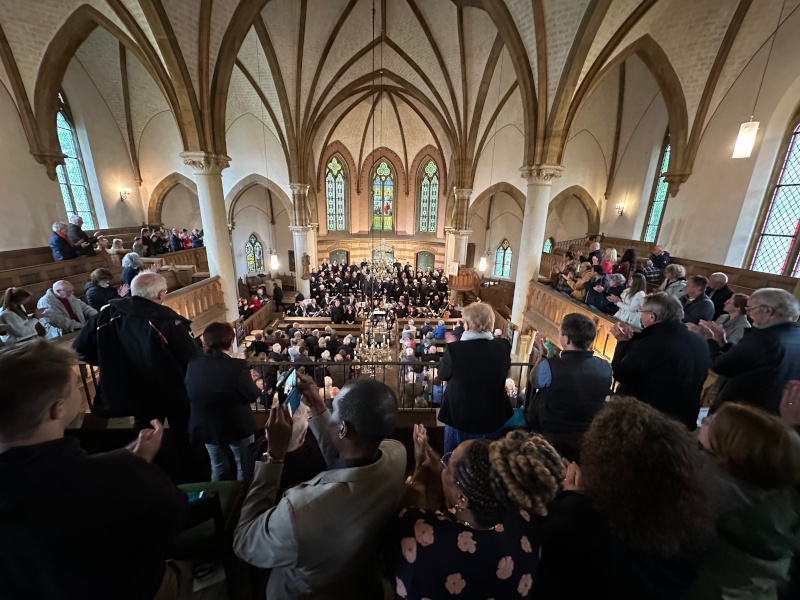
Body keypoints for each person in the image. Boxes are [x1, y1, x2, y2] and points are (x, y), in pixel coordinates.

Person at [0, 340, 188, 600]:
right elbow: (172, 518)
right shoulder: (114, 475)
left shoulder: (112, 471)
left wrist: (130, 464)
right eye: (74, 385)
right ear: (59, 408)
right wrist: (135, 468)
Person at [233, 376, 407, 600]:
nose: (329, 412)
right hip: (361, 581)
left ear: (343, 429)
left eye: (333, 409)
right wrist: (318, 406)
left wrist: (274, 456)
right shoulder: (397, 456)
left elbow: (244, 541)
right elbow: (344, 458)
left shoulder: (300, 512)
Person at [534, 397, 710, 599]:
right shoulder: (690, 525)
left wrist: (570, 496)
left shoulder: (578, 518)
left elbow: (546, 552)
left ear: (605, 463)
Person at [386, 427, 564, 600]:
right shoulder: (526, 524)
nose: (443, 464)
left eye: (448, 465)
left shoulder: (418, 540)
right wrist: (446, 476)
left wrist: (420, 471)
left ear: (462, 499)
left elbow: (388, 559)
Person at [689, 403, 800, 599]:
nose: (704, 421)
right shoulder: (776, 496)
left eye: (710, 422)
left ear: (731, 450)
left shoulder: (715, 488)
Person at [73, 272, 199, 435]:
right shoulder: (168, 322)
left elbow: (80, 350)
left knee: (137, 437)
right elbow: (191, 360)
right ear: (161, 294)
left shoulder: (105, 315)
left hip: (119, 393)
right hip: (163, 395)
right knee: (176, 438)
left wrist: (109, 361)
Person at [611, 293, 710, 429]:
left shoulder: (650, 344)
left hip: (650, 420)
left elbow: (621, 374)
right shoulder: (700, 342)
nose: (640, 315)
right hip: (683, 419)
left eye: (642, 312)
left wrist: (622, 343)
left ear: (652, 316)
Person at [694, 288, 800, 415]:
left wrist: (709, 340)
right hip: (772, 409)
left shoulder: (763, 338)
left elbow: (721, 366)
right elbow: (748, 358)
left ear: (768, 310)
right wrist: (723, 343)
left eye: (751, 309)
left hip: (744, 407)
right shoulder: (795, 333)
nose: (749, 314)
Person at [526, 314, 612, 461]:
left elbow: (534, 381)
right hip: (586, 434)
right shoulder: (606, 367)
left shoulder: (550, 367)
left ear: (566, 339)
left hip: (552, 432)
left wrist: (542, 355)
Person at [187, 322, 260, 482]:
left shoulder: (194, 365)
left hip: (206, 425)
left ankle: (218, 500)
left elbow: (192, 391)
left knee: (218, 465)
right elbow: (251, 395)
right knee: (243, 464)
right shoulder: (237, 366)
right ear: (230, 341)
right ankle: (241, 500)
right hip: (235, 425)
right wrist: (251, 381)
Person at [438, 303, 512, 454]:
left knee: (455, 460)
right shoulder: (503, 346)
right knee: (488, 459)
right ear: (490, 324)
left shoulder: (455, 350)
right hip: (493, 414)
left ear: (466, 326)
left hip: (460, 415)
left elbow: (442, 375)